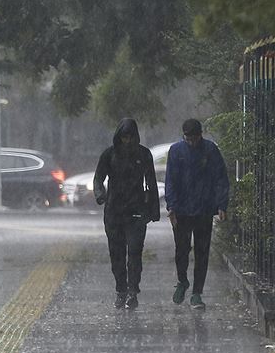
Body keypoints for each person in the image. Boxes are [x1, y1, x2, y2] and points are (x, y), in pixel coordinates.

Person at [94, 118, 161, 310]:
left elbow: (151, 182)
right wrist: (100, 194)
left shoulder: (144, 154)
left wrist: (153, 210)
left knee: (134, 252)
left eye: (130, 137)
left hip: (136, 211)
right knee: (117, 254)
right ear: (119, 137)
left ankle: (133, 290)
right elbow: (98, 178)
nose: (127, 141)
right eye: (124, 137)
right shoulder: (109, 155)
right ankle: (121, 290)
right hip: (114, 212)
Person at [165, 119, 229, 310]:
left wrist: (222, 204)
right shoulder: (176, 151)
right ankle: (182, 281)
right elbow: (171, 180)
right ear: (184, 136)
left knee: (202, 252)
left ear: (200, 134)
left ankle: (197, 293)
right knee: (181, 250)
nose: (192, 142)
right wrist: (172, 206)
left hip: (204, 209)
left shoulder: (210, 150)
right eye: (188, 138)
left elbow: (221, 178)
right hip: (181, 211)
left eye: (195, 138)